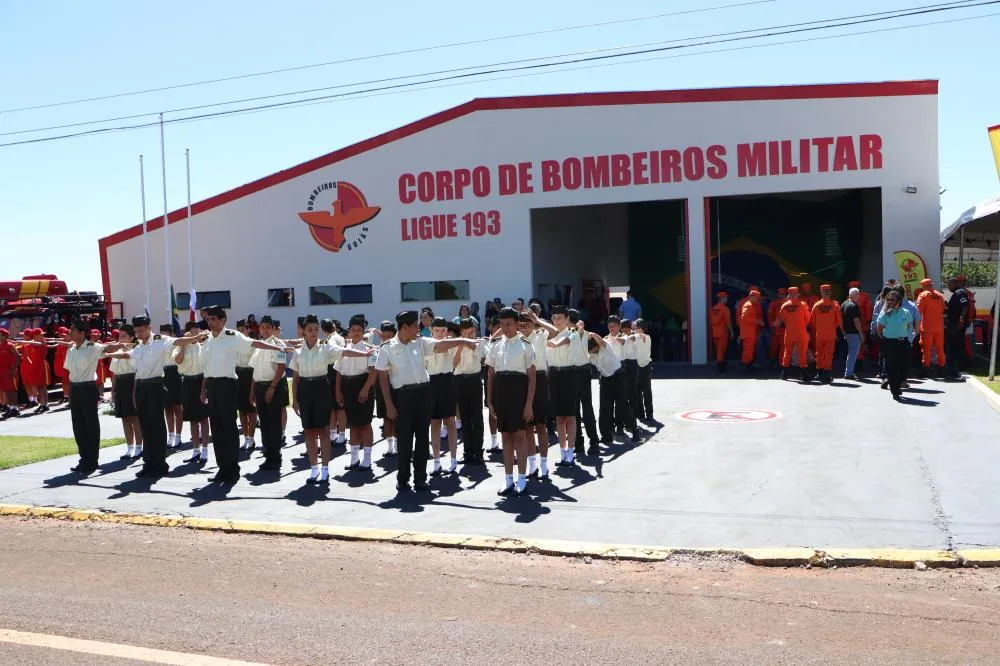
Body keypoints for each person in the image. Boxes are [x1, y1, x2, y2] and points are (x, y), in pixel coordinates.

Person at [375, 310, 477, 492]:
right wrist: (389, 404)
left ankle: (420, 478)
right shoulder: (387, 347)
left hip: (423, 394)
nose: (418, 328)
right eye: (415, 325)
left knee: (422, 438)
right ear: (404, 327)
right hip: (402, 396)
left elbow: (442, 345)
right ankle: (403, 479)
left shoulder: (420, 343)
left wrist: (463, 340)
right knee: (404, 440)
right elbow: (383, 377)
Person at [201, 305, 292, 485]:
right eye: (208, 319)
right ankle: (222, 468)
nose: (210, 323)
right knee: (217, 429)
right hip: (211, 385)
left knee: (228, 428)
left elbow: (254, 343)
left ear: (222, 320)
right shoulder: (208, 340)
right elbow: (206, 366)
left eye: (214, 319)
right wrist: (203, 389)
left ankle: (232, 469)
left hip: (226, 385)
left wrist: (277, 348)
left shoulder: (232, 336)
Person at [486, 307, 536, 497]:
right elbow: (490, 375)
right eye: (502, 324)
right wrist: (490, 401)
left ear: (517, 324)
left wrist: (529, 404)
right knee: (505, 437)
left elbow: (532, 378)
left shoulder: (526, 344)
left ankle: (522, 479)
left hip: (519, 394)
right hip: (501, 394)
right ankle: (508, 480)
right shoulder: (495, 344)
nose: (505, 327)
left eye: (509, 324)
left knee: (520, 437)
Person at [61, 320, 112, 475]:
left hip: (88, 388)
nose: (70, 333)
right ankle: (84, 459)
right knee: (78, 426)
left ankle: (92, 461)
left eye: (73, 330)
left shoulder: (93, 348)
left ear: (83, 333)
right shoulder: (71, 349)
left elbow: (109, 349)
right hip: (75, 389)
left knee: (90, 426)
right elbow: (69, 371)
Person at [532, 305, 579, 465]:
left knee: (570, 416)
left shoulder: (573, 332)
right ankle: (563, 452)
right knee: (559, 417)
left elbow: (566, 340)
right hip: (553, 374)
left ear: (567, 319)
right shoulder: (546, 334)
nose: (557, 321)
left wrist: (556, 344)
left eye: (560, 318)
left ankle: (571, 452)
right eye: (554, 318)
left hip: (569, 374)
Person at [335, 315, 379, 471]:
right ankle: (354, 458)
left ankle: (367, 458)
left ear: (363, 332)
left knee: (365, 424)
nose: (356, 333)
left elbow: (373, 372)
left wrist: (366, 389)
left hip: (363, 385)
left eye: (359, 330)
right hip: (348, 387)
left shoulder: (369, 349)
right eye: (353, 330)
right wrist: (337, 390)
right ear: (348, 332)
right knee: (353, 424)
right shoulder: (344, 350)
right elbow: (339, 372)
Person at [248, 315, 286, 471]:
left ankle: (275, 456)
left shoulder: (278, 344)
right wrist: (252, 391)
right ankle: (268, 453)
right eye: (262, 327)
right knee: (263, 423)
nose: (264, 329)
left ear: (273, 329)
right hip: (259, 387)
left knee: (273, 423)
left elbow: (281, 368)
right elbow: (255, 371)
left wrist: (272, 388)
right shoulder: (259, 345)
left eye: (268, 327)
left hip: (272, 387)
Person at [424, 317, 461, 476]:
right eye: (437, 330)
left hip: (447, 381)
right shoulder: (425, 343)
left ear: (447, 331)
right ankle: (437, 462)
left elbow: (455, 362)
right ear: (431, 330)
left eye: (443, 330)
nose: (440, 333)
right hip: (431, 383)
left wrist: (458, 346)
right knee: (435, 423)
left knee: (450, 422)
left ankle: (453, 461)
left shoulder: (451, 342)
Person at [518, 312, 550, 478]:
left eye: (528, 324)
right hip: (522, 380)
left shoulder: (541, 335)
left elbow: (556, 333)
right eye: (521, 325)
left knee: (541, 425)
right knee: (527, 426)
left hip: (539, 378)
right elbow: (494, 336)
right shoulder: (516, 338)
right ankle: (532, 464)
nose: (524, 328)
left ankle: (544, 463)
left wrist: (537, 320)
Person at [174, 321, 210, 465]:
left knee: (204, 417)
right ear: (187, 333)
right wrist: (183, 344)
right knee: (192, 418)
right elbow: (178, 360)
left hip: (202, 381)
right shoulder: (181, 345)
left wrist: (204, 389)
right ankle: (196, 450)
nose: (196, 334)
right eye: (193, 332)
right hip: (188, 382)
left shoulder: (205, 345)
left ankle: (205, 449)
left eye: (198, 331)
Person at [453, 317, 486, 466]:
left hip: (474, 380)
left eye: (471, 332)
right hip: (460, 380)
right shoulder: (455, 343)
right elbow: (453, 364)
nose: (469, 335)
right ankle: (467, 452)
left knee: (477, 418)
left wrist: (469, 342)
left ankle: (478, 452)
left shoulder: (479, 342)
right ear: (461, 332)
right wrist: (461, 343)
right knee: (464, 418)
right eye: (465, 332)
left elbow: (479, 356)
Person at [108, 325, 142, 461]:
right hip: (121, 384)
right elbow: (115, 373)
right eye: (119, 336)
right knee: (125, 417)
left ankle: (139, 447)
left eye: (124, 336)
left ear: (132, 338)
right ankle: (129, 447)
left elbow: (138, 371)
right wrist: (113, 389)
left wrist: (135, 392)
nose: (120, 339)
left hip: (132, 382)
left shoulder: (137, 351)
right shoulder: (117, 352)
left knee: (135, 417)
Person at [567, 309, 599, 456]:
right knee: (582, 408)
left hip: (577, 372)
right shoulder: (580, 332)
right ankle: (589, 442)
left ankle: (584, 442)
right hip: (582, 371)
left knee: (579, 409)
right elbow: (593, 347)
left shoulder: (573, 333)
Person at [876, 290, 914, 401]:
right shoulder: (885, 313)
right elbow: (879, 330)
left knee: (905, 367)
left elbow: (908, 326)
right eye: (888, 299)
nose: (890, 301)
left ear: (898, 301)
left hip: (903, 342)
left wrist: (904, 336)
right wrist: (884, 341)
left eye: (892, 299)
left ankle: (894, 382)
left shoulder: (905, 312)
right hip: (889, 343)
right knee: (891, 368)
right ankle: (895, 391)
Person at [321, 319, 348, 447]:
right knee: (333, 406)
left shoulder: (330, 340)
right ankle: (335, 434)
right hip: (337, 370)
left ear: (322, 329)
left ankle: (339, 435)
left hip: (334, 371)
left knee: (338, 406)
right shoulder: (340, 337)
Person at [809, 285, 844, 384]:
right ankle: (826, 375)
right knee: (828, 355)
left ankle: (819, 373)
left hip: (819, 334)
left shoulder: (816, 305)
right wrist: (840, 330)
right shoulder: (835, 305)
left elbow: (812, 321)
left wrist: (820, 327)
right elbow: (839, 322)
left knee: (819, 354)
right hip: (830, 334)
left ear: (821, 292)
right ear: (830, 292)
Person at [916, 278, 947, 379]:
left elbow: (918, 311)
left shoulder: (923, 295)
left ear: (923, 286)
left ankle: (926, 369)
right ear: (931, 285)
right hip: (939, 327)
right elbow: (943, 309)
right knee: (940, 347)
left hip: (927, 327)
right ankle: (942, 368)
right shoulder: (940, 295)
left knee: (926, 348)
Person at [160, 324, 184, 450]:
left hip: (174, 373)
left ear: (171, 334)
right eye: (161, 333)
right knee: (167, 407)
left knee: (177, 406)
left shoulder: (176, 343)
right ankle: (171, 435)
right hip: (163, 374)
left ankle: (178, 436)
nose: (163, 336)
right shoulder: (158, 344)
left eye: (166, 333)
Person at [235, 319, 258, 452]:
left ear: (249, 330)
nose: (241, 332)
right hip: (238, 375)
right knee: (242, 411)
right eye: (238, 330)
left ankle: (252, 437)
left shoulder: (253, 344)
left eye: (243, 330)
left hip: (250, 375)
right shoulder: (235, 343)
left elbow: (255, 365)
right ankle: (246, 438)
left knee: (251, 410)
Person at [778, 287, 810, 381]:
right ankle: (804, 375)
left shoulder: (784, 306)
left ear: (788, 294)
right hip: (800, 332)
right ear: (798, 294)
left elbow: (783, 319)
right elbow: (807, 318)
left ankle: (784, 375)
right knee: (802, 353)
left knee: (787, 352)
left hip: (789, 333)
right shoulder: (803, 305)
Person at [18, 328, 49, 413]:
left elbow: (36, 343)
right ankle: (41, 404)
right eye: (40, 334)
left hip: (40, 367)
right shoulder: (30, 344)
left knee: (42, 386)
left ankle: (45, 404)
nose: (42, 336)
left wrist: (25, 342)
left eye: (42, 334)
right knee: (37, 387)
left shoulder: (42, 342)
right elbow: (26, 353)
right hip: (34, 367)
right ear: (35, 336)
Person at [945, 277, 969, 378]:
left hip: (958, 325)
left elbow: (965, 306)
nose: (948, 287)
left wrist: (962, 319)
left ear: (955, 283)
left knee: (959, 345)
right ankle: (957, 365)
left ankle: (961, 365)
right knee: (955, 345)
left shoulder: (960, 292)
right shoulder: (956, 294)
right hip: (954, 325)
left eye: (949, 285)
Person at [841, 288, 866, 380]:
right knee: (853, 353)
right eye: (858, 294)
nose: (859, 296)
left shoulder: (844, 304)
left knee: (851, 353)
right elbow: (856, 321)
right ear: (855, 295)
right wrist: (861, 333)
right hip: (853, 333)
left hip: (847, 332)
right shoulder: (854, 305)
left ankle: (849, 372)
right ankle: (849, 373)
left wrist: (843, 331)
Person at [633, 319, 654, 422]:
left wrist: (636, 334)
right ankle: (640, 413)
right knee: (637, 392)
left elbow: (642, 336)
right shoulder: (634, 337)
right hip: (636, 366)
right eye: (634, 328)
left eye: (636, 328)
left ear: (642, 328)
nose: (634, 330)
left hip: (646, 367)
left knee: (647, 392)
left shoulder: (647, 337)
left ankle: (649, 413)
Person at [739, 290, 761, 373]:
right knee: (748, 350)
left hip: (749, 332)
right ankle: (746, 367)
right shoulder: (748, 305)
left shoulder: (749, 304)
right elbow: (744, 317)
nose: (758, 300)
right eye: (757, 298)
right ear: (753, 297)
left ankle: (748, 366)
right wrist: (757, 321)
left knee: (749, 350)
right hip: (748, 333)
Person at [0, 328, 20, 419]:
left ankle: (15, 408)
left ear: (5, 336)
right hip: (1, 371)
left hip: (9, 371)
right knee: (5, 390)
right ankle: (9, 408)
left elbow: (17, 356)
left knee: (11, 390)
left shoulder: (10, 345)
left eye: (1, 335)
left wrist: (14, 368)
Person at [710, 292, 732, 372]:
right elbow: (728, 322)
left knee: (718, 350)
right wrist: (732, 331)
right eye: (726, 297)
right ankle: (720, 367)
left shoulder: (712, 309)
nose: (727, 299)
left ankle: (720, 364)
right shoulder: (725, 309)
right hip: (723, 333)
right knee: (721, 350)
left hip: (715, 332)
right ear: (722, 298)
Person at [767, 288, 787, 369]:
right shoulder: (773, 303)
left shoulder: (788, 304)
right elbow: (769, 316)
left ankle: (781, 365)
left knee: (783, 349)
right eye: (780, 294)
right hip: (776, 330)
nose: (781, 295)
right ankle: (772, 363)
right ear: (778, 294)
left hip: (784, 331)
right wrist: (772, 326)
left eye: (783, 294)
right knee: (773, 348)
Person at [52, 326, 71, 403]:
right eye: (59, 335)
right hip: (61, 365)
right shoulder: (61, 343)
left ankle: (69, 397)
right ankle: (66, 396)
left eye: (62, 335)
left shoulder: (69, 343)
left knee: (69, 382)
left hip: (68, 366)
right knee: (64, 381)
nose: (60, 336)